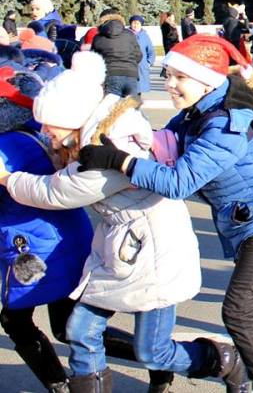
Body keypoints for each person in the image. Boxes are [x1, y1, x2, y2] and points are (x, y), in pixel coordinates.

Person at [77, 35, 253, 393]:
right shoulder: (198, 113)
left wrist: (121, 161)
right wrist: (121, 140)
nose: (171, 84)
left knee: (239, 311)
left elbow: (181, 181)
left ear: (206, 80)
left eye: (181, 77)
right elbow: (164, 141)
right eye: (169, 75)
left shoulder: (225, 124)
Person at [0, 51, 242, 393]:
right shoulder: (91, 137)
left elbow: (57, 191)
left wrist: (8, 179)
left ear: (72, 118)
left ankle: (224, 360)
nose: (44, 131)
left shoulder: (108, 147)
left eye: (50, 124)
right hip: (120, 244)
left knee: (152, 350)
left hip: (151, 252)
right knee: (80, 332)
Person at [0, 62, 171, 393]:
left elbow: (45, 191)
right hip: (62, 239)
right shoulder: (29, 133)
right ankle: (157, 362)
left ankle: (65, 385)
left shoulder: (6, 147)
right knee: (69, 327)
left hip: (34, 248)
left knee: (20, 321)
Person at [91, 9, 142, 98]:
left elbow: (94, 59)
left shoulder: (98, 38)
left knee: (112, 107)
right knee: (131, 107)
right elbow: (138, 55)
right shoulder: (129, 34)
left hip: (110, 73)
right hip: (130, 74)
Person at [129, 15, 155, 95]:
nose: (135, 25)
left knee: (138, 89)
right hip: (129, 65)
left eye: (138, 23)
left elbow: (151, 51)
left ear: (141, 24)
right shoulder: (126, 34)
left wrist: (148, 62)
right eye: (134, 23)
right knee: (129, 89)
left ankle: (136, 104)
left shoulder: (144, 36)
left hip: (141, 65)